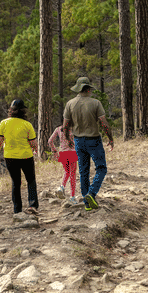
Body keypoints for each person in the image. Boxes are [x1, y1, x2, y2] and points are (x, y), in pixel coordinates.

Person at [62, 77, 114, 211]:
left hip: (78, 140)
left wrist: (68, 138)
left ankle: (87, 203)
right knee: (101, 168)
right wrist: (110, 137)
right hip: (94, 140)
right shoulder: (95, 103)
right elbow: (103, 123)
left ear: (78, 89)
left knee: (83, 171)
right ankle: (91, 194)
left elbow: (65, 125)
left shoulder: (70, 104)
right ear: (89, 89)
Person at [0, 99, 39, 214]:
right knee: (31, 180)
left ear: (11, 110)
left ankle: (17, 210)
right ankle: (32, 205)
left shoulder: (3, 123)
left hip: (10, 157)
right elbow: (33, 143)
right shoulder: (27, 125)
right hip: (26, 156)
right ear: (23, 111)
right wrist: (36, 151)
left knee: (16, 182)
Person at [48, 124, 78, 204]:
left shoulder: (58, 129)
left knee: (67, 172)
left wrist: (54, 151)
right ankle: (72, 197)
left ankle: (61, 187)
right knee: (73, 175)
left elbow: (50, 141)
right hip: (72, 153)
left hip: (62, 153)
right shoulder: (74, 128)